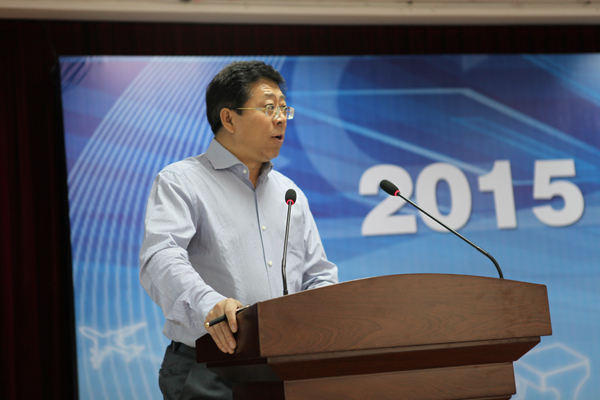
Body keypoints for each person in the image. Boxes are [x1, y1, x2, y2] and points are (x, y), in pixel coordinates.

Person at [139, 60, 338, 400]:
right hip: (210, 366)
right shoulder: (181, 182)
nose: (280, 118)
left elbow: (318, 274)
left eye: (284, 108)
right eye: (268, 107)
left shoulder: (290, 193)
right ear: (229, 119)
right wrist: (210, 305)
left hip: (285, 366)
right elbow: (160, 257)